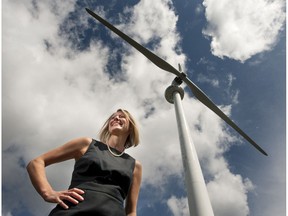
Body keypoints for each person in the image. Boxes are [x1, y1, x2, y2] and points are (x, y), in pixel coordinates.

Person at [27, 109, 142, 216]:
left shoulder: (135, 166)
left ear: (131, 127)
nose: (116, 118)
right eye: (113, 117)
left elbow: (131, 212)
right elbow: (36, 163)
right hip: (73, 211)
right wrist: (48, 193)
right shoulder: (86, 144)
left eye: (122, 117)